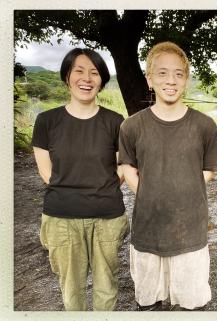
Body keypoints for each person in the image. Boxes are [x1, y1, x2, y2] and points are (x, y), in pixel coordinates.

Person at [119, 41, 217, 311]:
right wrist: (149, 190)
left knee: (191, 304)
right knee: (149, 303)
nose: (171, 80)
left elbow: (209, 168)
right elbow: (127, 166)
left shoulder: (204, 125)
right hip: (147, 230)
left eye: (179, 74)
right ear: (149, 79)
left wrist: (181, 189)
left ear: (186, 79)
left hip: (190, 231)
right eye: (162, 73)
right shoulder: (132, 126)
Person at [31, 48, 129, 310]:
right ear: (67, 77)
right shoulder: (46, 121)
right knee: (71, 291)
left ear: (101, 81)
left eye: (94, 73)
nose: (86, 78)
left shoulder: (115, 121)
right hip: (61, 218)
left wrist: (103, 189)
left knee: (106, 287)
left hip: (107, 217)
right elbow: (46, 172)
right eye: (79, 71)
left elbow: (123, 165)